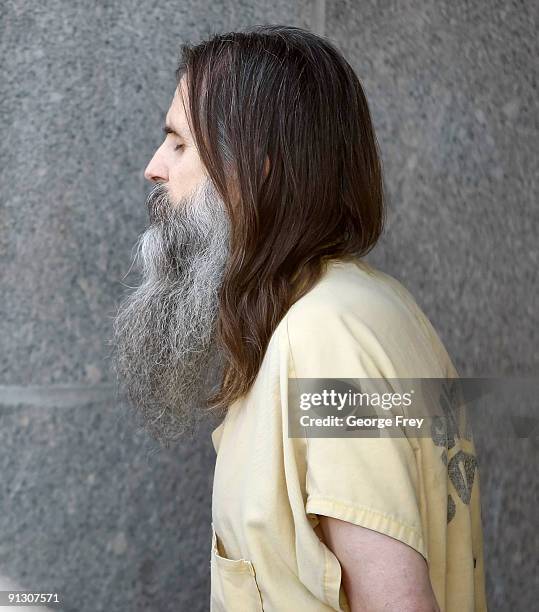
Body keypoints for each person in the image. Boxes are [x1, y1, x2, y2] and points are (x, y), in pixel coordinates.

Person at [112, 25, 487, 612]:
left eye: (180, 144)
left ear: (257, 167)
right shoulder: (367, 305)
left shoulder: (326, 338)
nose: (154, 168)